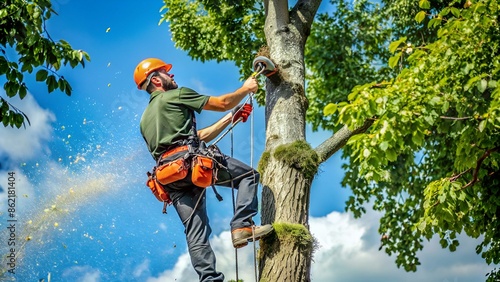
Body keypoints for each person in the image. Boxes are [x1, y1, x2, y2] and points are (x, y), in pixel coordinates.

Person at [134, 58, 273, 282]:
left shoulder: (145, 119)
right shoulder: (175, 95)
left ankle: (209, 280)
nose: (173, 77)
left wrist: (231, 118)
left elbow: (194, 137)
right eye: (167, 74)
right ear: (157, 80)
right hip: (191, 163)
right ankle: (242, 225)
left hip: (170, 176)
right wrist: (245, 88)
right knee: (248, 176)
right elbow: (223, 102)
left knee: (195, 231)